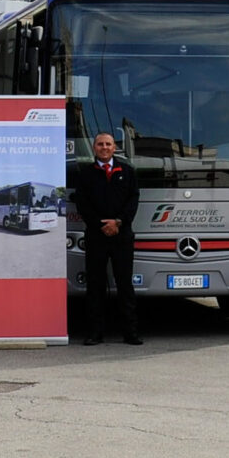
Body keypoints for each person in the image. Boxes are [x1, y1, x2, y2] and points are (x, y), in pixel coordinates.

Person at [70, 132, 140, 346]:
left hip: (122, 236)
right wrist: (101, 225)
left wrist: (118, 222)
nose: (104, 147)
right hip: (96, 236)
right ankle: (95, 333)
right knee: (95, 286)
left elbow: (133, 200)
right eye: (100, 144)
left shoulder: (127, 172)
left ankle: (131, 333)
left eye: (108, 144)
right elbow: (83, 204)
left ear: (114, 147)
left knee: (125, 285)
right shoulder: (86, 174)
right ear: (94, 148)